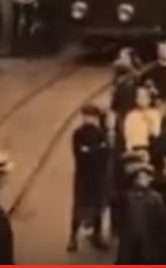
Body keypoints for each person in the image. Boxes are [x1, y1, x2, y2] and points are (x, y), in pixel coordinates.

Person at [67, 104, 110, 252]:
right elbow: (79, 154)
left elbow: (106, 153)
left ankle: (97, 235)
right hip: (83, 175)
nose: (89, 120)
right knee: (79, 206)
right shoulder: (78, 134)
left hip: (98, 175)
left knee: (98, 205)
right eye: (86, 116)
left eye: (92, 117)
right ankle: (73, 237)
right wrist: (96, 150)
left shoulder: (101, 133)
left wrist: (91, 151)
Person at [115, 163, 166, 264]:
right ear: (135, 179)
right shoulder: (127, 197)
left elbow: (162, 222)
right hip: (130, 243)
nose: (143, 180)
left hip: (149, 243)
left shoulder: (156, 198)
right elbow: (120, 217)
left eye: (145, 177)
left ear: (150, 179)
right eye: (140, 177)